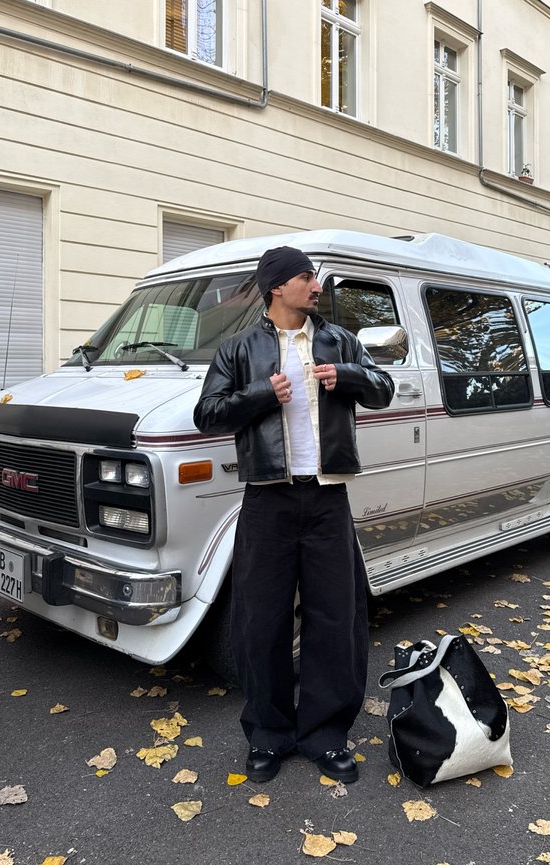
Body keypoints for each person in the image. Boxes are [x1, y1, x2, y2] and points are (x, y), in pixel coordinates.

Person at [193, 246, 394, 783]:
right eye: (308, 276)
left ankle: (326, 736)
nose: (317, 285)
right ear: (278, 286)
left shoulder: (340, 341)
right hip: (267, 499)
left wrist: (347, 375)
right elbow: (207, 413)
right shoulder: (238, 350)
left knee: (336, 620)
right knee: (261, 621)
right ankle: (268, 734)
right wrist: (261, 393)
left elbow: (384, 391)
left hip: (328, 498)